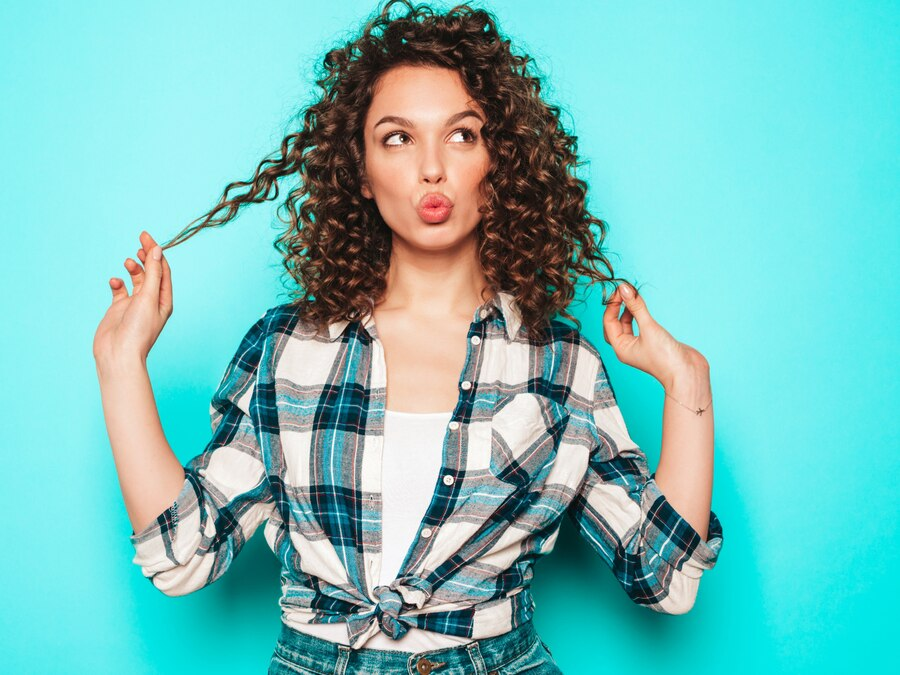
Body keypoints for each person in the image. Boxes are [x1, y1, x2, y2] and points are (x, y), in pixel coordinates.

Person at [93, 1, 724, 673]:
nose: (431, 168)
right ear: (359, 172)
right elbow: (185, 550)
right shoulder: (286, 349)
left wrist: (690, 382)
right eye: (398, 137)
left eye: (462, 135)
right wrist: (120, 364)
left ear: (499, 159)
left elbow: (666, 579)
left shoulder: (561, 363)